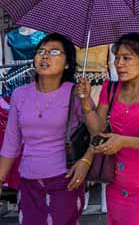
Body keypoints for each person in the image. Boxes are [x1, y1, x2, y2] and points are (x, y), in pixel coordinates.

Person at [79, 33, 139, 225]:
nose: (119, 63)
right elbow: (97, 129)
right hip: (116, 185)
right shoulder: (110, 89)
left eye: (126, 58)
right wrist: (85, 102)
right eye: (117, 58)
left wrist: (123, 141)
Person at [0, 33, 92, 225]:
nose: (45, 56)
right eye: (41, 51)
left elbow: (98, 132)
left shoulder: (76, 92)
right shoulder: (19, 94)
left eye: (54, 52)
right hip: (29, 181)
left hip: (65, 179)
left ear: (67, 63)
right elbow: (11, 143)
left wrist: (85, 160)